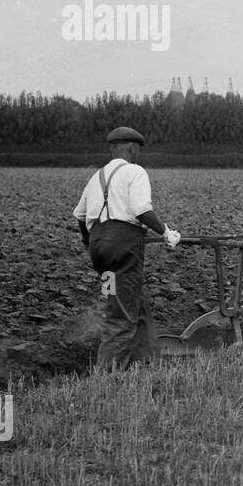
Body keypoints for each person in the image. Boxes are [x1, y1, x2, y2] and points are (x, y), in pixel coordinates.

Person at [73, 127, 182, 368]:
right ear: (132, 148)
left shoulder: (97, 176)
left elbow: (80, 216)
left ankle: (146, 362)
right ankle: (107, 377)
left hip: (99, 248)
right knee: (121, 315)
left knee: (133, 301)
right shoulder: (135, 171)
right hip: (124, 244)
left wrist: (87, 240)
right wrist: (166, 232)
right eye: (138, 150)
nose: (138, 154)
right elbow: (141, 209)